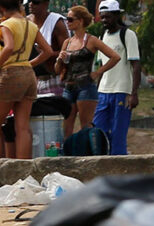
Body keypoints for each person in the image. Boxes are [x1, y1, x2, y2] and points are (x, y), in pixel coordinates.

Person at [0, 0, 53, 158]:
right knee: (23, 127)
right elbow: (48, 51)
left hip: (11, 74)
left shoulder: (6, 25)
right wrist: (28, 64)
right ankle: (24, 171)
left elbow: (9, 47)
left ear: (1, 6)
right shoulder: (31, 25)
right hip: (28, 75)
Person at [55, 5, 118, 138]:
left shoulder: (91, 40)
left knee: (86, 126)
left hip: (85, 86)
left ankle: (87, 155)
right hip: (68, 86)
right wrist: (60, 60)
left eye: (70, 19)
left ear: (81, 21)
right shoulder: (67, 42)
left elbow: (115, 57)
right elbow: (57, 70)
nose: (68, 22)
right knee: (66, 125)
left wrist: (97, 72)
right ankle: (68, 154)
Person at [92, 0, 140, 155]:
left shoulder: (127, 34)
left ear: (117, 15)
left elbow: (136, 65)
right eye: (102, 17)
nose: (105, 20)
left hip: (122, 90)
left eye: (108, 17)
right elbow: (102, 66)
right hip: (103, 91)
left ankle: (118, 171)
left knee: (118, 134)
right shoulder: (102, 36)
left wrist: (133, 93)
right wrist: (97, 90)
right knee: (99, 132)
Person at [27, 0, 67, 95]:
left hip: (52, 78)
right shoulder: (26, 21)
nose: (31, 4)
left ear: (46, 3)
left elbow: (67, 51)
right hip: (31, 78)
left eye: (36, 2)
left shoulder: (57, 23)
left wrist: (43, 53)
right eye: (30, 2)